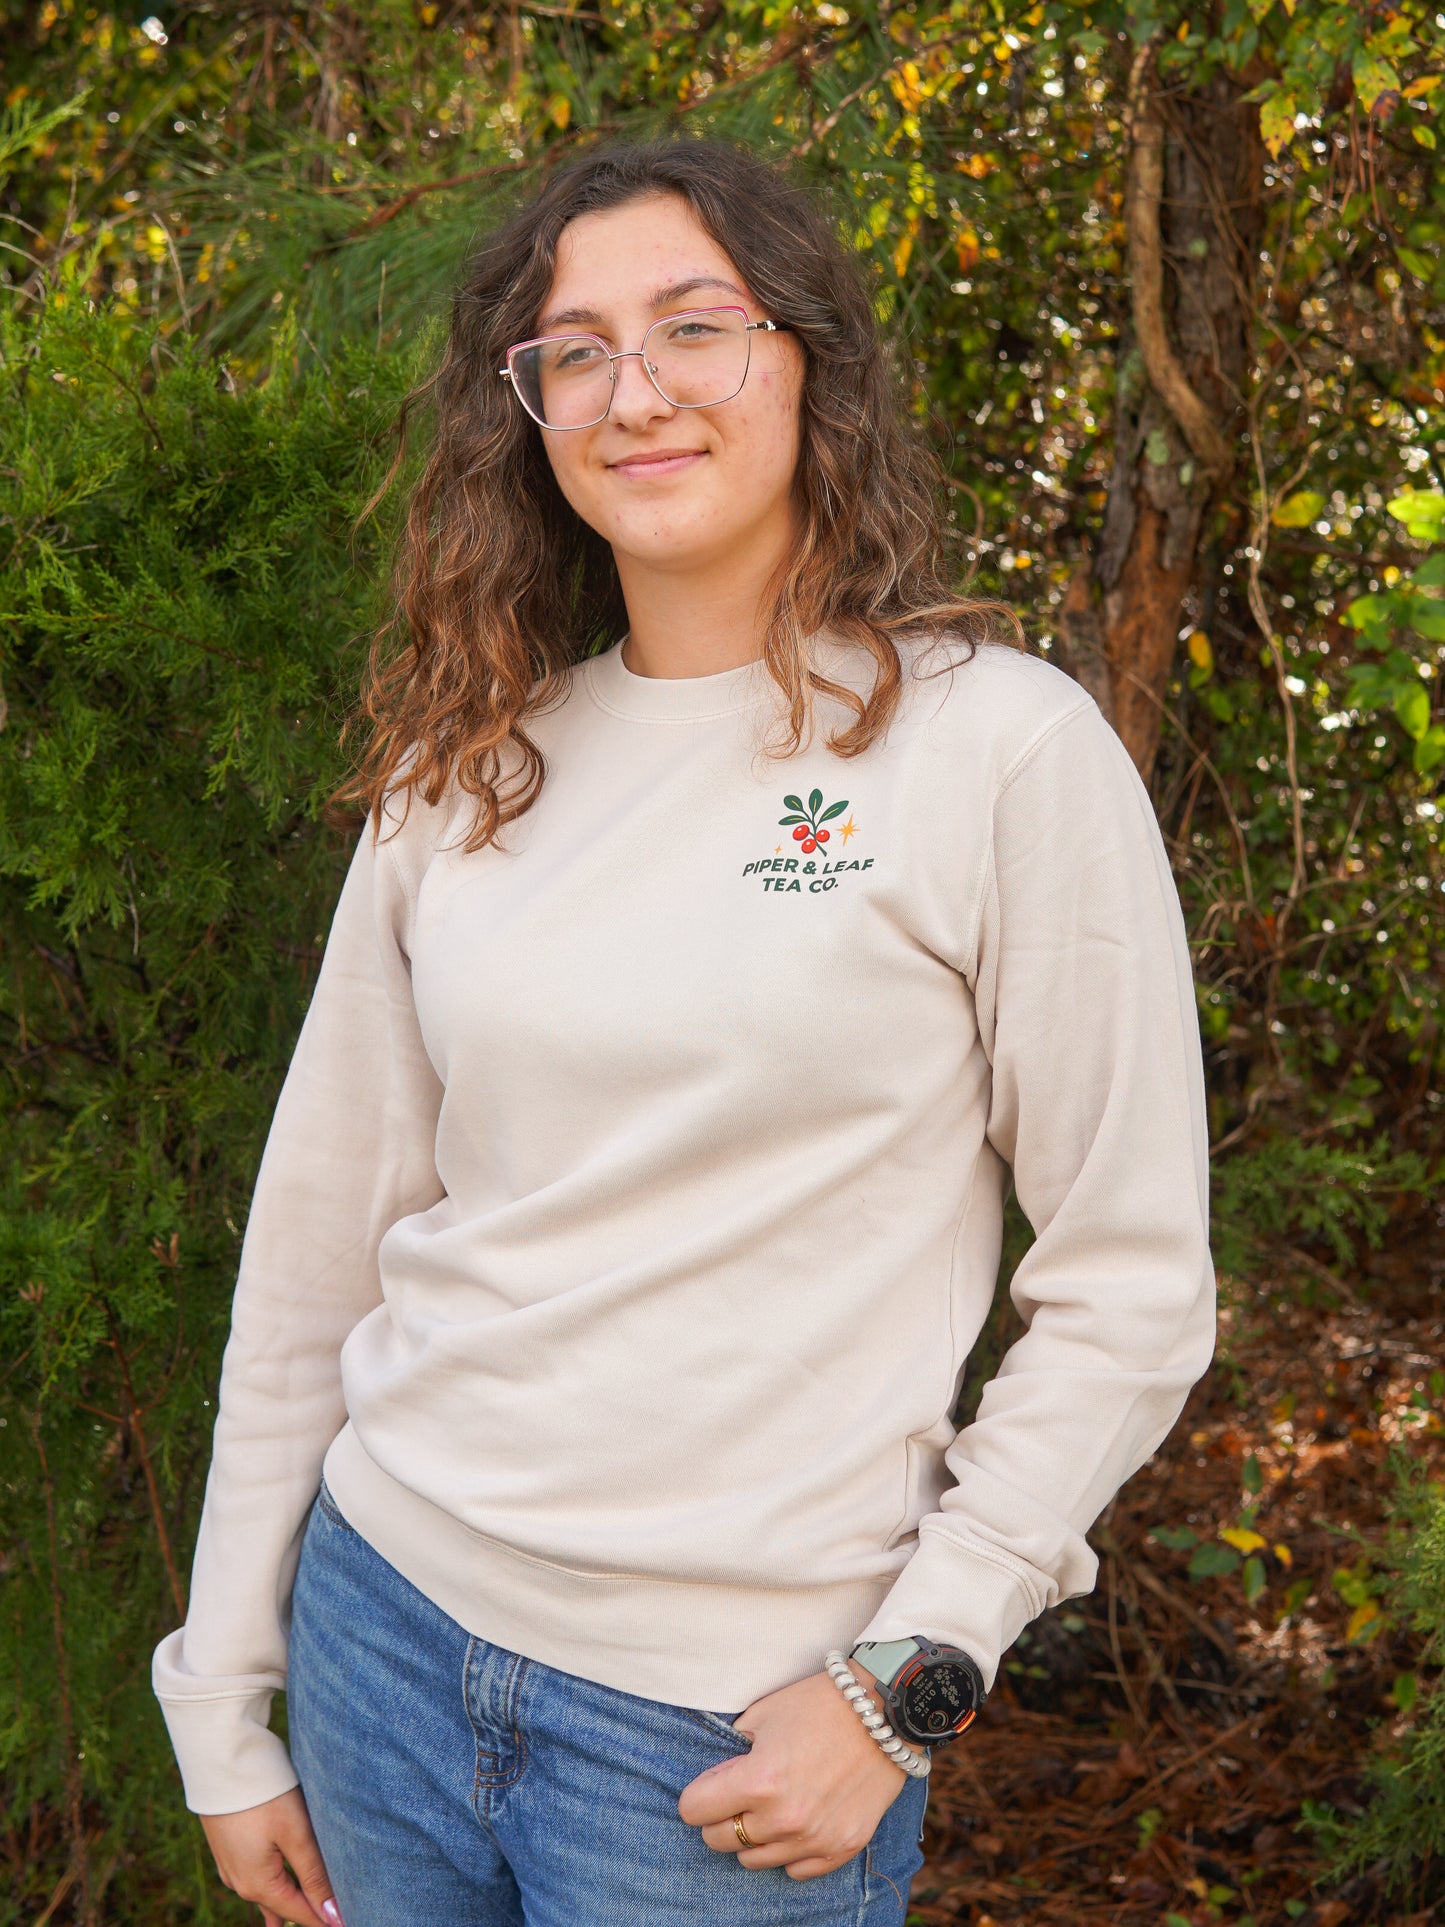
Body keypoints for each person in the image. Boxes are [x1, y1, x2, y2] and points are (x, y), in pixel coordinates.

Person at [151, 135, 1216, 1927]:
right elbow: (317, 1260)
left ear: (806, 361)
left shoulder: (994, 753)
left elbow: (1131, 1290)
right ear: (533, 413)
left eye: (692, 327)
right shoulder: (471, 765)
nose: (632, 391)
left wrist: (906, 1681)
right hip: (382, 1638)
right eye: (572, 350)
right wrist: (223, 1694)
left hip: (716, 1741)